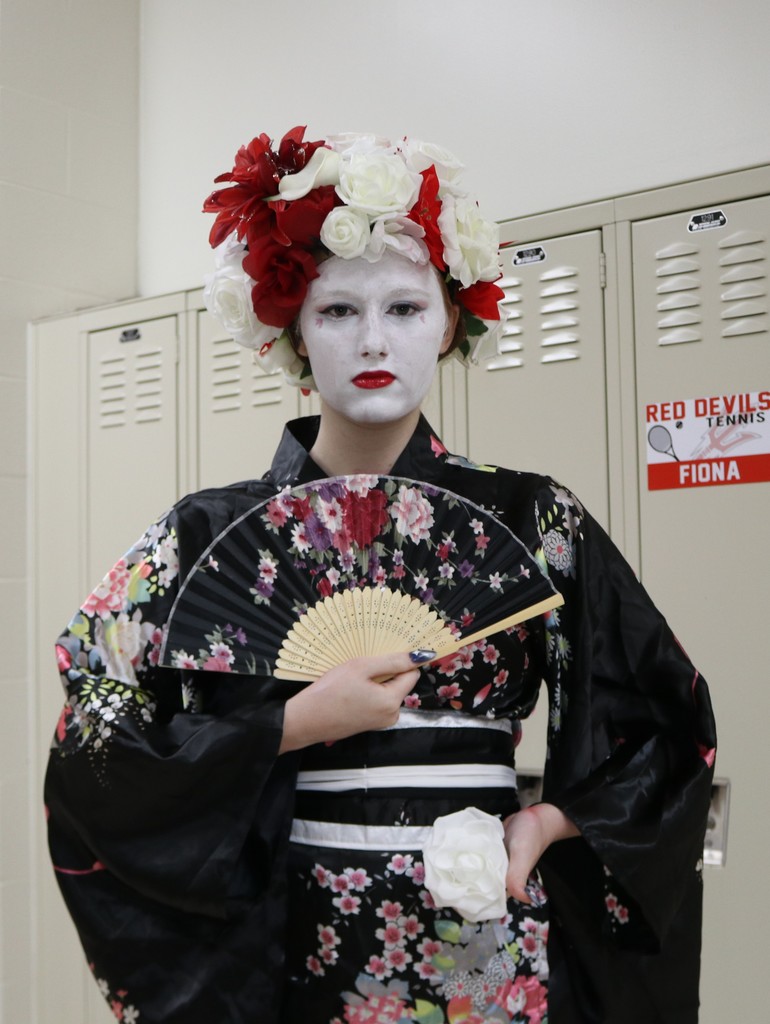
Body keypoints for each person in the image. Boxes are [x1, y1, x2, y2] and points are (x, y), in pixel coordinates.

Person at [45, 127, 716, 1024]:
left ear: (449, 323)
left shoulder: (533, 518)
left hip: (482, 926)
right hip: (295, 936)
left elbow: (665, 721)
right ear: (290, 332)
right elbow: (94, 737)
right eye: (336, 312)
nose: (374, 340)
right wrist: (286, 725)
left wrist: (549, 823)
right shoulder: (204, 532)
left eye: (404, 308)